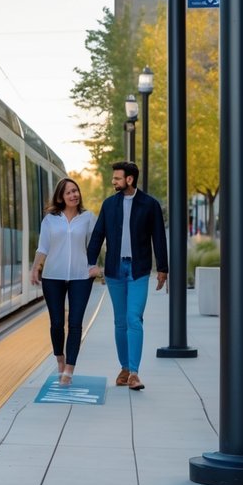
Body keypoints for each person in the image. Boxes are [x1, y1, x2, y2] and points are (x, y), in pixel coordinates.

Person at [87, 161, 169, 391]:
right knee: (120, 321)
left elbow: (159, 238)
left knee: (134, 318)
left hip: (138, 270)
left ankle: (134, 373)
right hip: (114, 271)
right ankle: (124, 368)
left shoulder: (150, 205)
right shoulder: (109, 204)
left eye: (117, 178)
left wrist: (163, 268)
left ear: (129, 180)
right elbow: (98, 235)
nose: (113, 181)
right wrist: (88, 265)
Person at [30, 178, 96, 387]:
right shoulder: (50, 219)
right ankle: (60, 359)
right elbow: (43, 247)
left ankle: (69, 370)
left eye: (75, 191)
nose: (73, 195)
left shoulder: (88, 218)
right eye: (68, 192)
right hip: (53, 277)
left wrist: (97, 266)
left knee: (75, 324)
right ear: (60, 197)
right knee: (57, 323)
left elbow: (97, 244)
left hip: (81, 277)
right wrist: (35, 269)